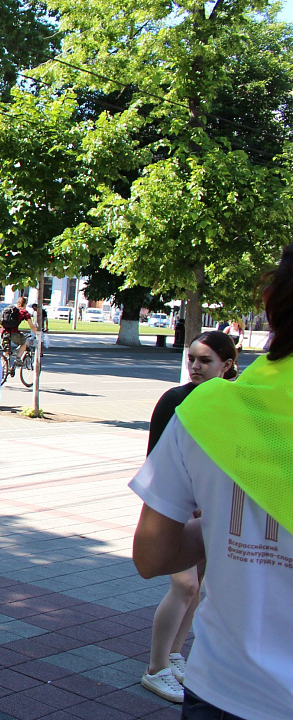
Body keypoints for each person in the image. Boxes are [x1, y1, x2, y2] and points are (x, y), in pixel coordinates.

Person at [131, 243, 293, 720]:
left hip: (227, 687)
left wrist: (226, 524)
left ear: (269, 303)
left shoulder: (205, 411)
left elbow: (152, 556)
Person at [138, 331, 238, 703]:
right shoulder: (176, 399)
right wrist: (183, 503)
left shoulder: (232, 400)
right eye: (192, 358)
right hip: (175, 508)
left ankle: (175, 654)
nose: (195, 366)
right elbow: (157, 463)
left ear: (227, 366)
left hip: (212, 507)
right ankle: (156, 668)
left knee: (199, 587)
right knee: (185, 586)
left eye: (205, 361)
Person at [0, 297, 36, 367]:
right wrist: (36, 334)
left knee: (6, 353)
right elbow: (32, 326)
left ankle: (4, 370)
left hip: (3, 332)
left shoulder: (10, 310)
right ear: (25, 304)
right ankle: (18, 358)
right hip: (13, 333)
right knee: (24, 342)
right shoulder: (24, 312)